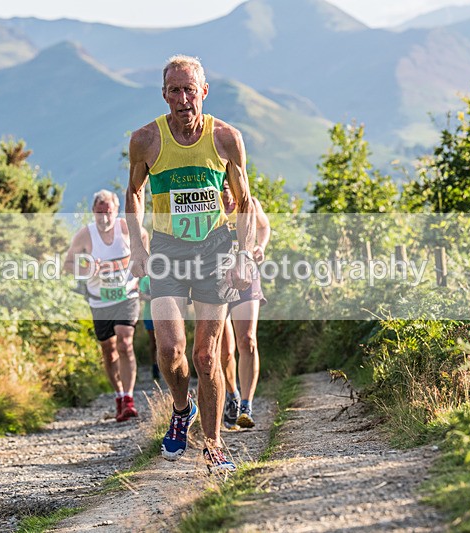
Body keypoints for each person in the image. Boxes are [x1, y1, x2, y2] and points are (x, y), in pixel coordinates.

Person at [126, 54, 256, 473]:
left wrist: (243, 254)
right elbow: (134, 193)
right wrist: (139, 247)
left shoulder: (226, 138)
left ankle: (214, 444)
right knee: (170, 349)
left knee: (206, 356)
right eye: (174, 91)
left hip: (214, 250)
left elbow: (245, 201)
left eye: (189, 90)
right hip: (167, 250)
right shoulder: (146, 139)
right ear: (164, 95)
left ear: (204, 91)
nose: (183, 99)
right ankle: (182, 409)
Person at [64, 189, 149, 422]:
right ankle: (119, 395)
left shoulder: (126, 229)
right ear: (93, 212)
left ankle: (129, 399)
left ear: (116, 210)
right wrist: (88, 269)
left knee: (125, 342)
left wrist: (142, 271)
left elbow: (144, 239)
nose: (104, 218)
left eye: (108, 212)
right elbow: (67, 264)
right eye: (99, 213)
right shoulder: (85, 235)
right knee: (109, 351)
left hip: (127, 295)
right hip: (100, 300)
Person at [220, 179, 270, 430]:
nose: (227, 195)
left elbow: (264, 225)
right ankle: (232, 394)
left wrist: (260, 246)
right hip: (216, 282)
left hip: (246, 277)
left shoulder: (250, 203)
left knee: (248, 340)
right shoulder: (210, 207)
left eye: (230, 189)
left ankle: (246, 406)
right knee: (225, 350)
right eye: (222, 190)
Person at [138, 275, 161, 381]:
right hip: (149, 315)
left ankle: (165, 364)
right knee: (154, 341)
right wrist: (155, 298)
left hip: (164, 314)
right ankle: (155, 366)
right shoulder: (145, 279)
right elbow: (141, 295)